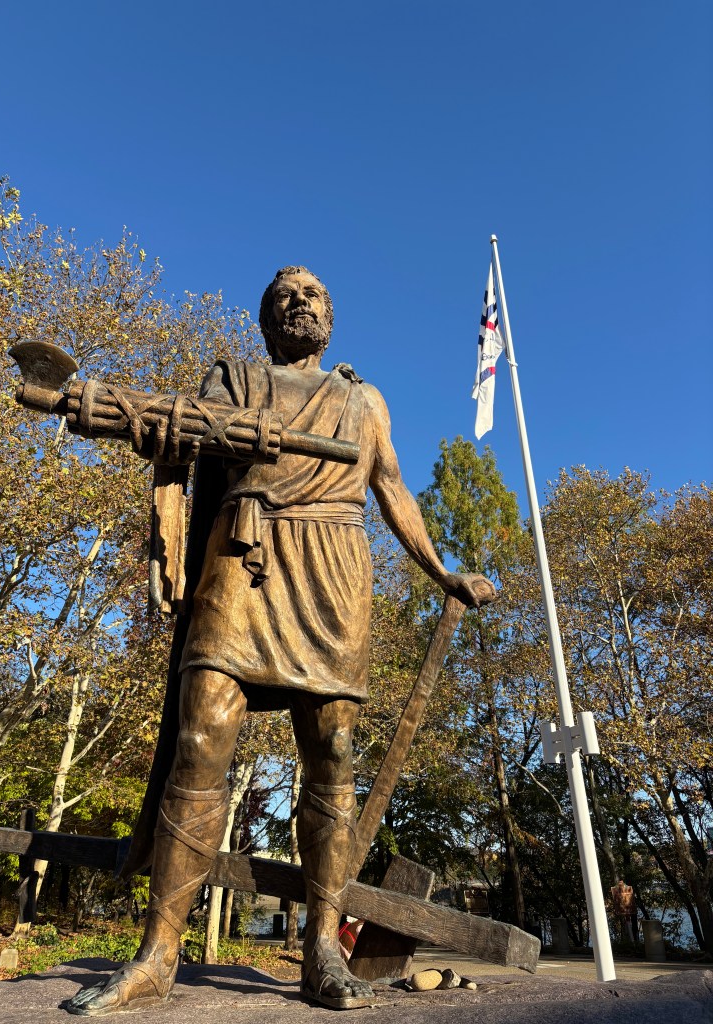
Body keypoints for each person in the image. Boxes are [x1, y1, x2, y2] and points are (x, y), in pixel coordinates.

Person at [67, 266, 494, 1015]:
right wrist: (151, 430)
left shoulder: (364, 400)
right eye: (283, 295)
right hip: (243, 558)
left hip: (333, 570)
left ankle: (322, 952)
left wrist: (441, 572)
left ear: (332, 318)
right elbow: (185, 439)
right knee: (200, 738)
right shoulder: (233, 380)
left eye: (313, 293)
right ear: (265, 322)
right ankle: (158, 952)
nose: (299, 300)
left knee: (331, 749)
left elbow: (392, 488)